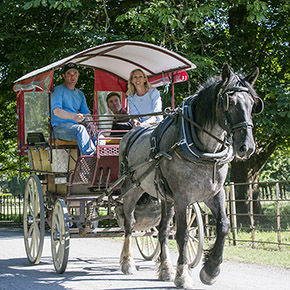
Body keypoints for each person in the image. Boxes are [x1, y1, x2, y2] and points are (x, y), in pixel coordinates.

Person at [51, 62, 103, 156]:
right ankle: (89, 160)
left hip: (74, 128)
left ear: (78, 74)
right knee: (80, 129)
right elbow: (56, 111)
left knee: (100, 136)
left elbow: (86, 114)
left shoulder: (80, 94)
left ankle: (102, 157)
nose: (72, 76)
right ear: (64, 76)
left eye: (75, 73)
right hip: (59, 128)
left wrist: (92, 126)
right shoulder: (57, 90)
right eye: (69, 74)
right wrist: (74, 116)